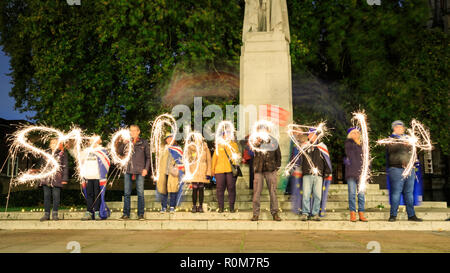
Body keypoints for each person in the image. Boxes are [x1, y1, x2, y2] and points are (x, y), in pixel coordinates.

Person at [386, 120, 423, 222]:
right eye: (397, 127)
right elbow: (391, 149)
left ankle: (411, 215)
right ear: (394, 128)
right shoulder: (391, 139)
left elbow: (414, 151)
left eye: (401, 127)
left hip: (409, 169)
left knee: (409, 193)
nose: (400, 128)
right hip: (396, 169)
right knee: (396, 193)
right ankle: (393, 215)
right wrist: (404, 143)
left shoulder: (408, 139)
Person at [298, 128, 332, 221]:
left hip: (318, 175)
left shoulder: (322, 146)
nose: (309, 136)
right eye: (308, 134)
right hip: (307, 173)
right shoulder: (305, 146)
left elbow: (326, 160)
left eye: (311, 134)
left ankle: (315, 213)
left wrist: (327, 171)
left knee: (318, 195)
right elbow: (299, 159)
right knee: (306, 194)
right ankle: (305, 213)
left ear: (316, 135)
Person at [118, 125, 150, 220]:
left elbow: (148, 157)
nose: (132, 133)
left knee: (140, 193)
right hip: (128, 170)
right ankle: (126, 214)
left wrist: (146, 169)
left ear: (138, 131)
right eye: (131, 131)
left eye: (134, 131)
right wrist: (123, 142)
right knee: (127, 193)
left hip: (140, 171)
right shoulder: (127, 142)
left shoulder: (144, 142)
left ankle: (140, 214)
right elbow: (119, 152)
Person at [250, 125, 282, 221]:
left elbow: (278, 155)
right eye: (261, 130)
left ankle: (275, 213)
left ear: (268, 130)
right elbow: (250, 152)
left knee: (273, 192)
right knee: (256, 192)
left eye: (265, 129)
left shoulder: (273, 141)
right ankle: (255, 214)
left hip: (271, 169)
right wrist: (257, 143)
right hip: (258, 170)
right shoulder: (255, 141)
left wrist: (276, 167)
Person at [80, 136, 110, 221]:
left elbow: (106, 162)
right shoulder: (86, 151)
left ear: (99, 141)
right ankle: (89, 211)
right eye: (91, 140)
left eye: (95, 140)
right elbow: (79, 159)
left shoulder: (102, 151)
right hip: (88, 177)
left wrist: (102, 175)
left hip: (98, 177)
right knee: (89, 195)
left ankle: (97, 212)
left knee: (97, 195)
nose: (93, 142)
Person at [38, 139, 69, 221]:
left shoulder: (62, 153)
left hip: (57, 178)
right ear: (50, 145)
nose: (54, 144)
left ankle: (55, 214)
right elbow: (42, 166)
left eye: (55, 143)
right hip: (46, 178)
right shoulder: (45, 153)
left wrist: (65, 178)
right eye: (52, 143)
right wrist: (41, 178)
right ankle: (46, 214)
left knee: (56, 196)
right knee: (46, 196)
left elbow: (65, 167)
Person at [211, 132, 240, 213]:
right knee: (220, 189)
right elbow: (214, 158)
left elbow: (237, 157)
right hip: (219, 170)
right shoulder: (218, 146)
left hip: (230, 170)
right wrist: (212, 170)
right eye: (225, 135)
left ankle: (231, 207)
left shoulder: (234, 145)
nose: (227, 136)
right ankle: (221, 207)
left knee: (231, 188)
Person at [156, 132, 184, 213]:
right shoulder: (162, 149)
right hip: (163, 172)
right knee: (163, 189)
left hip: (173, 172)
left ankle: (172, 206)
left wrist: (179, 169)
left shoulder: (178, 149)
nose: (169, 139)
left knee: (173, 189)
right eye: (167, 138)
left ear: (174, 139)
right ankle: (163, 207)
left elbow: (181, 161)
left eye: (170, 137)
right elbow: (159, 161)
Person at [344, 127, 368, 222]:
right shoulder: (348, 143)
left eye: (357, 133)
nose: (356, 134)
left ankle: (361, 213)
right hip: (351, 173)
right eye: (353, 133)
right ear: (350, 135)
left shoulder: (363, 145)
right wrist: (356, 143)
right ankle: (352, 214)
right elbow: (348, 153)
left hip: (361, 173)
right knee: (352, 194)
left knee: (361, 194)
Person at [184, 136, 212, 213]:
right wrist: (188, 172)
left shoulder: (205, 147)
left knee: (201, 188)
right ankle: (194, 205)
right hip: (194, 170)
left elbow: (209, 160)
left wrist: (209, 172)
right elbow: (187, 160)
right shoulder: (190, 147)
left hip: (203, 170)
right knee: (194, 188)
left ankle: (200, 206)